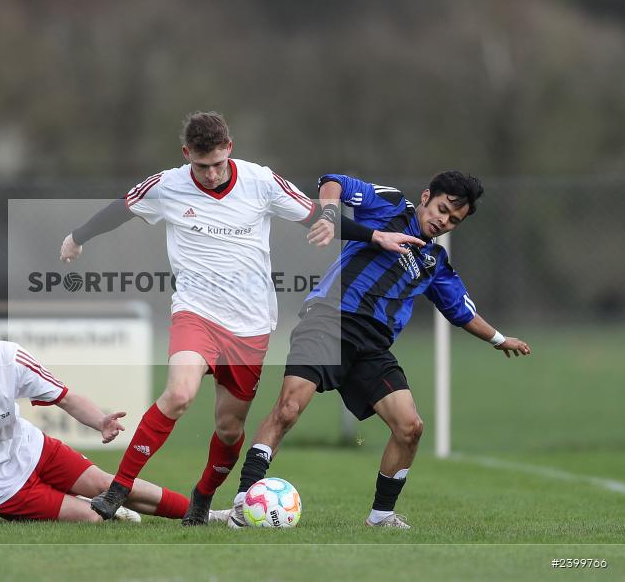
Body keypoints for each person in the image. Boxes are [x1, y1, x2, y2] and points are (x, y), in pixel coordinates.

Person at [59, 112, 422, 525]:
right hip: (195, 312)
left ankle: (202, 497)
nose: (211, 174)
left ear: (229, 147)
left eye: (217, 163)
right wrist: (76, 237)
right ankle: (118, 489)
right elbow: (121, 209)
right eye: (201, 165)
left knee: (230, 431)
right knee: (179, 394)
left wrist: (374, 235)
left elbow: (313, 213)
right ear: (186, 155)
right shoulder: (167, 185)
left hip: (250, 327)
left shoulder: (261, 181)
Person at [227, 171, 532, 529]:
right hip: (329, 319)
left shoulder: (434, 262)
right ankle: (244, 504)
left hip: (372, 345)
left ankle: (381, 516)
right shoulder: (389, 205)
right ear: (425, 196)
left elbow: (462, 312)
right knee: (289, 409)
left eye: (453, 220)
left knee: (410, 427)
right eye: (442, 209)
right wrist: (327, 215)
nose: (443, 221)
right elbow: (333, 181)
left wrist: (499, 339)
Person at [0, 297, 230, 524]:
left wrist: (100, 421)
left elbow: (64, 396)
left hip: (31, 449)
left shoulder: (10, 358)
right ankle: (91, 508)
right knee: (94, 518)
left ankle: (206, 514)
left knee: (110, 486)